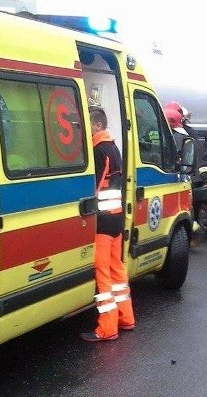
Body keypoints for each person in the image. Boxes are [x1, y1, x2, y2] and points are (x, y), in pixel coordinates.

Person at [81, 106, 136, 342]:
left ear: (96, 126)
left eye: (87, 125)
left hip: (102, 221)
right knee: (117, 273)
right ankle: (126, 318)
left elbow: (92, 186)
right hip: (116, 217)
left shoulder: (98, 150)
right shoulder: (113, 148)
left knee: (103, 274)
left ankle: (106, 329)